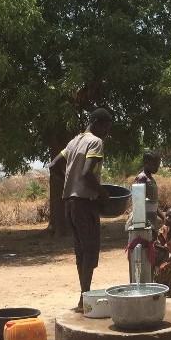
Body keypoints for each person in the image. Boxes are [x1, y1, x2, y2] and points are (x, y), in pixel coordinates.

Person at [49, 108, 113, 310]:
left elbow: (53, 166)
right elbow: (87, 174)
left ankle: (84, 295)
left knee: (80, 252)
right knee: (90, 251)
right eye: (106, 127)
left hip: (69, 202)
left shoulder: (73, 142)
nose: (106, 133)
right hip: (85, 203)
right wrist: (102, 193)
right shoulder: (95, 142)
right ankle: (84, 299)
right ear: (97, 122)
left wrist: (70, 183)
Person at [126, 151, 165, 231]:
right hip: (144, 221)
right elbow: (138, 202)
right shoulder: (142, 178)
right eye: (155, 164)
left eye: (158, 165)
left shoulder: (151, 179)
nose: (157, 168)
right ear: (146, 162)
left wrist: (164, 218)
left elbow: (152, 204)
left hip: (152, 220)